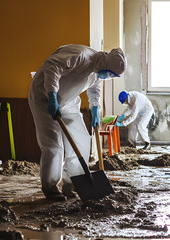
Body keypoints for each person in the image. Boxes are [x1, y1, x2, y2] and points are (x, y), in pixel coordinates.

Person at [28, 44, 127, 201]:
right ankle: (50, 188)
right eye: (109, 74)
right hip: (45, 96)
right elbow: (52, 66)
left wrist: (95, 107)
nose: (108, 77)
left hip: (68, 100)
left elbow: (95, 87)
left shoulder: (98, 70)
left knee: (81, 139)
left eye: (112, 76)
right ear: (106, 64)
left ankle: (72, 183)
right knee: (54, 145)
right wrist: (52, 96)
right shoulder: (81, 56)